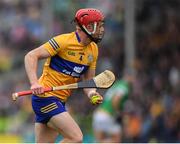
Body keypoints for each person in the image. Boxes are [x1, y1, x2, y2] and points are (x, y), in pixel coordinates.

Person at [24, 8, 105, 143]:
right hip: (45, 97)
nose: (102, 30)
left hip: (60, 101)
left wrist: (92, 93)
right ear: (88, 27)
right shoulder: (63, 41)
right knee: (76, 137)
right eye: (99, 26)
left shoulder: (93, 50)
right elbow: (31, 56)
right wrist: (34, 83)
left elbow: (88, 81)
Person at [92, 72, 134, 142]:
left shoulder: (117, 84)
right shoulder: (124, 85)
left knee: (100, 140)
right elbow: (116, 99)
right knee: (116, 139)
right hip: (107, 115)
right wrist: (118, 113)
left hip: (98, 114)